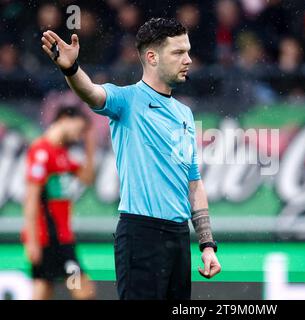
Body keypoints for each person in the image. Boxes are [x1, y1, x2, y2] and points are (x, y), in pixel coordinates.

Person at [40, 17, 221, 300]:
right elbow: (90, 92)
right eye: (178, 52)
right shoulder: (127, 100)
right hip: (141, 234)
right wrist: (72, 68)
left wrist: (207, 245)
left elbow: (193, 183)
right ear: (151, 57)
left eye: (187, 51)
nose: (188, 59)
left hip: (179, 237)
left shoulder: (184, 115)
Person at [22, 106, 96, 300]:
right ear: (64, 119)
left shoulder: (61, 153)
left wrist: (90, 145)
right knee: (82, 290)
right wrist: (32, 241)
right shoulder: (41, 152)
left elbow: (87, 178)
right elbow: (31, 199)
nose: (79, 136)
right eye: (79, 130)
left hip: (60, 236)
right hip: (49, 238)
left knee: (44, 289)